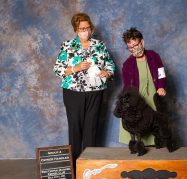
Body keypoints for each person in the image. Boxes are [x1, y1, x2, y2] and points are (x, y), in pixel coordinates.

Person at [53, 13, 115, 170]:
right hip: (73, 92)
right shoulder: (67, 46)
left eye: (87, 28)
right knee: (75, 129)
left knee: (91, 129)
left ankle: (90, 168)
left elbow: (110, 64)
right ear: (75, 30)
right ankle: (73, 170)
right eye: (81, 29)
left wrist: (107, 72)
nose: (85, 31)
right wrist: (76, 68)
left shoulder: (99, 45)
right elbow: (58, 69)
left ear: (91, 28)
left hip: (96, 91)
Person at [119, 27, 167, 146]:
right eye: (130, 47)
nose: (134, 49)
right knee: (137, 128)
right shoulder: (127, 64)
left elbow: (161, 74)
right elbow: (126, 87)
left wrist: (161, 87)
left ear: (142, 42)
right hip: (137, 101)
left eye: (136, 45)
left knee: (157, 127)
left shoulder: (154, 56)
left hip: (153, 97)